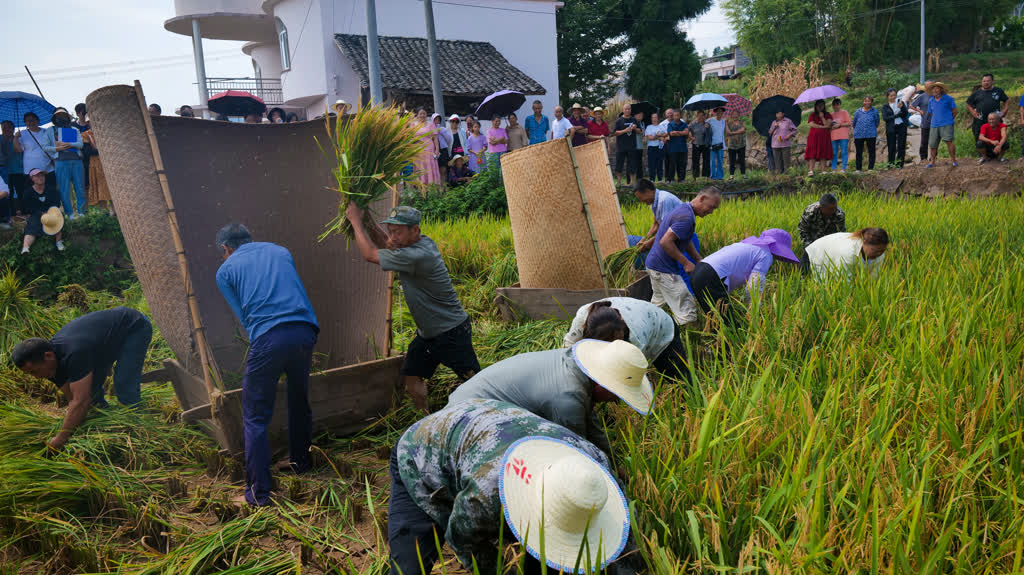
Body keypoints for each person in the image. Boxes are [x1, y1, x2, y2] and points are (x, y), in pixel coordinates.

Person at [388, 399, 631, 575]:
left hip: (489, 430)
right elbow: (463, 540)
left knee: (545, 559)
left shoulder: (597, 472)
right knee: (409, 568)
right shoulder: (487, 495)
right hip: (422, 452)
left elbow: (626, 548)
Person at [214, 223, 319, 506]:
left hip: (269, 337)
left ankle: (258, 494)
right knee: (298, 397)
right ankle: (300, 461)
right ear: (250, 239)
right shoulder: (280, 251)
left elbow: (245, 319)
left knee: (255, 415)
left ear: (226, 249)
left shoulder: (225, 271)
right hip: (305, 329)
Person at [346, 205, 479, 411]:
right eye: (390, 231)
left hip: (451, 332)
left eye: (397, 231)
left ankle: (489, 413)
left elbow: (371, 255)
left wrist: (355, 222)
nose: (392, 236)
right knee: (412, 376)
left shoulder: (418, 256)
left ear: (414, 230)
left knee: (475, 382)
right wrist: (368, 221)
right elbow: (390, 248)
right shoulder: (418, 244)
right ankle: (423, 418)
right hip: (427, 335)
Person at [448, 339, 653, 457]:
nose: (616, 401)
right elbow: (577, 450)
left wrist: (614, 459)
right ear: (602, 383)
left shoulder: (575, 366)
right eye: (616, 394)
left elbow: (590, 423)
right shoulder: (568, 398)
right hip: (466, 419)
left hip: (471, 400)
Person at [11, 307, 153, 449]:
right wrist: (77, 423)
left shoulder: (73, 354)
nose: (36, 377)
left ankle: (137, 427)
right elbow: (73, 398)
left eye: (34, 371)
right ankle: (106, 417)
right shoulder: (49, 366)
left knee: (123, 381)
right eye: (30, 374)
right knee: (91, 394)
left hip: (133, 326)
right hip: (100, 343)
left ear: (48, 356)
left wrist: (60, 439)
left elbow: (80, 402)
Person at [644, 187, 722, 326]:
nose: (711, 212)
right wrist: (686, 263)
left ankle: (648, 327)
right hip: (663, 269)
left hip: (653, 265)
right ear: (702, 199)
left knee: (657, 305)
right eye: (711, 207)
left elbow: (684, 238)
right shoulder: (686, 217)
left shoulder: (685, 210)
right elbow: (665, 241)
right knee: (687, 311)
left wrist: (698, 259)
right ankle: (687, 340)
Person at [690, 229, 799, 325]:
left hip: (698, 271)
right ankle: (722, 347)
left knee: (715, 319)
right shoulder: (766, 254)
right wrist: (753, 312)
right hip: (710, 276)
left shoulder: (750, 246)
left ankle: (713, 347)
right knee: (727, 323)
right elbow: (754, 285)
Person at [563, 297, 689, 379]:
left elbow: (632, 373)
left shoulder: (636, 337)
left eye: (617, 340)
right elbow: (568, 347)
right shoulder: (583, 316)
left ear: (622, 321)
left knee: (678, 378)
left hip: (662, 329)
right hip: (642, 317)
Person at [804, 228, 889, 281]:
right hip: (816, 254)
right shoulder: (848, 252)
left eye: (882, 250)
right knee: (814, 285)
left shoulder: (879, 253)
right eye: (875, 250)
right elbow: (844, 281)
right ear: (864, 242)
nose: (879, 254)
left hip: (833, 258)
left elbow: (873, 276)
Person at [46, 108, 87, 219]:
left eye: (64, 115)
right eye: (59, 115)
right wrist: (57, 148)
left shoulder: (74, 129)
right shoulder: (50, 130)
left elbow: (80, 145)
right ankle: (69, 214)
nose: (61, 117)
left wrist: (69, 144)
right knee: (64, 189)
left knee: (80, 187)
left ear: (68, 117)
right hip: (60, 162)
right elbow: (45, 147)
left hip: (76, 160)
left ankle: (81, 212)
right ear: (54, 118)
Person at [20, 169, 64, 253]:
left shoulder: (51, 189)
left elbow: (56, 203)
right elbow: (26, 208)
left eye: (42, 175)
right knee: (32, 225)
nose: (41, 178)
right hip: (36, 213)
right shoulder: (28, 192)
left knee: (57, 220)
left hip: (51, 212)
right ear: (32, 178)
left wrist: (50, 212)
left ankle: (59, 242)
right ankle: (25, 248)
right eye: (37, 176)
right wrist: (40, 213)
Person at [14, 112, 57, 195]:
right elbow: (18, 150)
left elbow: (53, 147)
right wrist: (16, 137)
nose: (31, 123)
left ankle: (52, 208)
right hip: (30, 170)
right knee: (32, 193)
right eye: (28, 121)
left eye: (33, 120)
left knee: (50, 192)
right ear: (25, 123)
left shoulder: (46, 132)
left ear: (37, 121)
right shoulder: (22, 134)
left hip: (47, 168)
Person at [966, 73, 1008, 144]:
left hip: (995, 120)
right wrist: (973, 112)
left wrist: (1005, 110)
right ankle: (982, 155)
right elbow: (968, 103)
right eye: (984, 81)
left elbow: (1006, 100)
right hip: (980, 120)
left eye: (988, 81)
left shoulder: (998, 91)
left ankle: (997, 153)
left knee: (998, 138)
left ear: (992, 81)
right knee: (980, 140)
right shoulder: (976, 93)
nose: (986, 83)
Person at [81, 125, 113, 216]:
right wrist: (102, 150)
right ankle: (105, 213)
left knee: (111, 187)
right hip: (95, 164)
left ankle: (116, 211)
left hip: (108, 163)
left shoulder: (105, 132)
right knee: (100, 188)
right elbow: (88, 152)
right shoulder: (86, 135)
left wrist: (97, 149)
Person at [926, 82, 958, 167]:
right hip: (934, 125)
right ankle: (932, 162)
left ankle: (953, 160)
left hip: (947, 124)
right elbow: (930, 112)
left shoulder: (948, 99)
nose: (935, 90)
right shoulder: (931, 100)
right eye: (933, 88)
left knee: (949, 141)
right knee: (932, 144)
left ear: (941, 89)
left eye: (937, 88)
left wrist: (949, 120)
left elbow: (955, 111)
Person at [412, 108, 441, 186]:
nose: (422, 115)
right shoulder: (413, 125)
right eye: (420, 113)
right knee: (420, 167)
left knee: (430, 167)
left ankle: (431, 186)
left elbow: (435, 139)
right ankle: (420, 187)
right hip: (418, 150)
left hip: (429, 150)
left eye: (424, 113)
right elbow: (411, 138)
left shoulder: (431, 124)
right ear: (417, 115)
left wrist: (437, 150)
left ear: (426, 115)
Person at [613, 103, 641, 184]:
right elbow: (614, 133)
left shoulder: (634, 120)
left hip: (632, 146)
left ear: (631, 110)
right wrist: (625, 131)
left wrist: (635, 128)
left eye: (629, 109)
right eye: (626, 109)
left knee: (632, 165)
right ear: (623, 110)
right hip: (621, 146)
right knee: (619, 164)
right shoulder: (619, 120)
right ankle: (618, 182)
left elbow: (640, 131)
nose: (627, 110)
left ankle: (632, 182)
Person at [881, 88, 909, 168]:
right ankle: (891, 164)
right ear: (887, 96)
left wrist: (902, 108)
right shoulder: (885, 106)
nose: (893, 97)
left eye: (894, 95)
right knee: (891, 146)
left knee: (901, 145)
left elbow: (905, 114)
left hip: (901, 126)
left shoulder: (900, 102)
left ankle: (900, 164)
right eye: (891, 96)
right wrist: (896, 115)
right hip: (891, 127)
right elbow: (885, 118)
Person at [804, 100, 833, 176]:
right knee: (812, 153)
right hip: (814, 137)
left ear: (824, 106)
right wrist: (822, 127)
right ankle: (811, 171)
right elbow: (812, 124)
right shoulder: (812, 115)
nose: (820, 107)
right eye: (818, 105)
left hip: (824, 137)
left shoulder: (828, 114)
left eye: (822, 105)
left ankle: (823, 171)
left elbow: (828, 124)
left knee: (823, 152)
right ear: (815, 106)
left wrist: (822, 117)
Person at [1, 121, 23, 218]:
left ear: (13, 128)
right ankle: (11, 215)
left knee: (21, 191)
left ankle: (23, 212)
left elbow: (21, 151)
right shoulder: (0, 139)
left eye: (9, 127)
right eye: (4, 127)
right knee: (8, 192)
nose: (6, 129)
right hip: (4, 171)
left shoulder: (19, 139)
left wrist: (15, 139)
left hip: (18, 169)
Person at [852, 96, 880, 172]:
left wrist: (871, 128)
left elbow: (877, 122)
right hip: (859, 134)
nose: (867, 102)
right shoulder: (858, 112)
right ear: (863, 102)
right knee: (859, 152)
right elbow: (854, 123)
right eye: (865, 101)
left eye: (869, 101)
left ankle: (870, 168)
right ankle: (858, 169)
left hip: (871, 134)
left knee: (871, 151)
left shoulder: (874, 111)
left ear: (871, 102)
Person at [910, 80, 934, 163]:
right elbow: (912, 105)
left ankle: (933, 158)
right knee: (924, 141)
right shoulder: (922, 96)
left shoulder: (937, 96)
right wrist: (919, 111)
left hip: (936, 123)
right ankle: (923, 158)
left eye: (930, 85)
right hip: (925, 122)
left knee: (934, 141)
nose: (928, 87)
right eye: (926, 86)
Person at [664, 108, 689, 182]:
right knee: (672, 164)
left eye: (678, 115)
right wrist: (681, 132)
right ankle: (671, 179)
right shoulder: (670, 124)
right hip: (673, 148)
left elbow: (686, 133)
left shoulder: (684, 124)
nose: (676, 117)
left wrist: (677, 132)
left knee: (682, 164)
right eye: (675, 115)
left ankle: (681, 179)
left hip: (682, 148)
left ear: (680, 115)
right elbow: (671, 133)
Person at [73, 104, 92, 197]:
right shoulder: (71, 126)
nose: (85, 115)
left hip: (93, 157)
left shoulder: (92, 124)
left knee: (98, 183)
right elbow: (68, 144)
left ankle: (104, 208)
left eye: (87, 112)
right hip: (79, 159)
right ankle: (84, 208)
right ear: (77, 113)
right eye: (83, 113)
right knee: (83, 185)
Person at [829, 99, 852, 173]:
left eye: (837, 104)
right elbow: (829, 126)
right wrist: (832, 127)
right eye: (834, 104)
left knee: (844, 151)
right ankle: (834, 169)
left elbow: (849, 123)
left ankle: (843, 168)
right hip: (833, 136)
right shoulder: (831, 115)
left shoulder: (844, 112)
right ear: (832, 106)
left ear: (840, 105)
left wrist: (840, 124)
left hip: (843, 135)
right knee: (834, 152)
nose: (836, 106)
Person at [689, 110, 711, 179]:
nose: (700, 117)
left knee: (706, 161)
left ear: (704, 116)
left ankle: (706, 176)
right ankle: (695, 176)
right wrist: (691, 137)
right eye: (699, 115)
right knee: (695, 161)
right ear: (696, 116)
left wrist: (707, 128)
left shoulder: (707, 124)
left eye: (702, 115)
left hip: (705, 145)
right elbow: (687, 129)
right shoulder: (693, 124)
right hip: (696, 144)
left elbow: (710, 134)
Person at [644, 112, 666, 181]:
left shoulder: (661, 126)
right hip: (651, 147)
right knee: (651, 164)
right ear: (651, 119)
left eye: (655, 117)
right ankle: (652, 179)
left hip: (660, 147)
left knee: (659, 163)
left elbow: (666, 135)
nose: (654, 119)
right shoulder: (649, 127)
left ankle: (660, 179)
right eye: (653, 117)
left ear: (658, 118)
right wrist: (658, 136)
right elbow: (650, 137)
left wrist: (661, 137)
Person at [432, 113, 453, 182]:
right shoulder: (430, 130)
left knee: (443, 170)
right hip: (434, 151)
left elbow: (449, 140)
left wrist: (441, 132)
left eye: (438, 119)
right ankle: (438, 188)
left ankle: (444, 187)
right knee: (435, 171)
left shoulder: (443, 129)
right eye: (435, 119)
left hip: (443, 150)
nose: (437, 121)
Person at [725, 111, 746, 177]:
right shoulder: (729, 123)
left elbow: (742, 130)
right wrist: (725, 123)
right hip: (731, 145)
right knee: (732, 161)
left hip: (741, 144)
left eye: (736, 114)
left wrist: (732, 133)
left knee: (742, 160)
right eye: (733, 114)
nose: (735, 116)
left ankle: (743, 174)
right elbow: (727, 132)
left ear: (739, 115)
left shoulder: (742, 122)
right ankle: (731, 175)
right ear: (731, 115)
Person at [707, 107, 727, 180]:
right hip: (712, 143)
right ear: (715, 112)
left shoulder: (723, 121)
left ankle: (720, 176)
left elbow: (725, 132)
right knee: (712, 161)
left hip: (721, 143)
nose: (720, 113)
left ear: (723, 113)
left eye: (721, 112)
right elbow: (704, 124)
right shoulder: (710, 120)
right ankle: (713, 176)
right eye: (718, 111)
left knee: (720, 160)